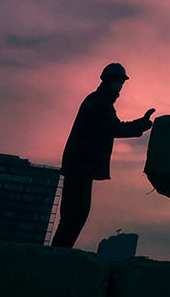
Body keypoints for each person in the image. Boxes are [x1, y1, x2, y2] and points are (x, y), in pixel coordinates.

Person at [52, 63, 155, 248]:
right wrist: (140, 125)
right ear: (107, 80)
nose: (120, 85)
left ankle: (60, 252)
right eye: (117, 81)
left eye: (121, 82)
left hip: (80, 166)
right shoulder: (99, 101)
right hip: (80, 167)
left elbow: (112, 126)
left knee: (73, 215)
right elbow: (114, 127)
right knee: (75, 214)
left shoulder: (100, 101)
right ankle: (58, 254)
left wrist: (139, 125)